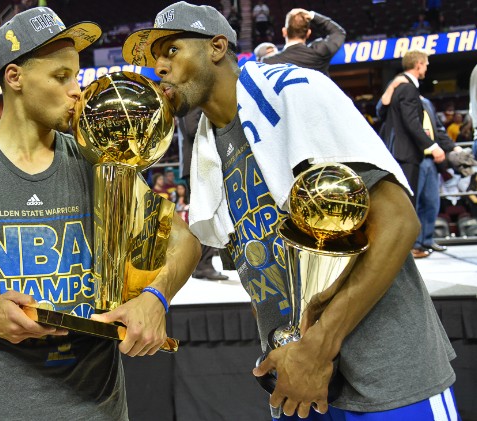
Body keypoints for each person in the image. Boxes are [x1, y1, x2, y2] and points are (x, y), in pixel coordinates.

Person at [122, 2, 457, 419]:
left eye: (171, 50)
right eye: (154, 58)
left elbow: (398, 223)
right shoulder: (207, 147)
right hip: (300, 381)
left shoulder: (295, 90)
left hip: (387, 376)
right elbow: (257, 266)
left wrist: (319, 347)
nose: (159, 67)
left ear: (217, 47)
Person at [0, 7, 200, 420]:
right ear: (14, 77)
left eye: (77, 77)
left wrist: (155, 299)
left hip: (99, 411)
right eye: (61, 76)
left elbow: (184, 241)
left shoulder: (97, 160)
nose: (77, 92)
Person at [378, 76, 461, 258]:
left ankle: (426, 240)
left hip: (430, 158)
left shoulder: (427, 103)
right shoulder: (397, 101)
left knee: (432, 201)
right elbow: (381, 111)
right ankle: (413, 243)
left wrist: (453, 147)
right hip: (412, 156)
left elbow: (438, 129)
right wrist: (392, 85)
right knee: (412, 202)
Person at [377, 49, 445, 208]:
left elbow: (381, 112)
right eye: (425, 65)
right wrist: (432, 146)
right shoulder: (408, 88)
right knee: (407, 205)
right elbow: (411, 122)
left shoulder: (397, 86)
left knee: (402, 204)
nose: (426, 68)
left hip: (397, 152)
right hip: (406, 154)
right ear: (418, 64)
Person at [177, 106, 229, 281]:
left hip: (197, 164)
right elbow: (193, 129)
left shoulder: (189, 104)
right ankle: (203, 265)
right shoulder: (192, 105)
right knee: (206, 214)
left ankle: (199, 264)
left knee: (204, 214)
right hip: (197, 165)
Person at [263, 8, 345, 77]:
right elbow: (338, 33)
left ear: (284, 32)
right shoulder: (320, 52)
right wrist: (312, 15)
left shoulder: (269, 62)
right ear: (308, 33)